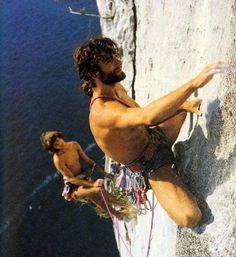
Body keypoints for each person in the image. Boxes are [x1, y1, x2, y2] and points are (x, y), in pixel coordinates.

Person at [73, 37, 226, 228]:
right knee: (191, 218)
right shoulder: (103, 112)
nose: (118, 61)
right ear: (95, 74)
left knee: (186, 105)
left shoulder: (115, 88)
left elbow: (143, 115)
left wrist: (181, 107)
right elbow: (148, 116)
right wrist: (194, 83)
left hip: (155, 136)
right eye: (110, 61)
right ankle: (162, 185)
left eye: (114, 55)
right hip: (149, 165)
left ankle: (181, 114)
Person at [40, 131, 130, 219]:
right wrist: (92, 184)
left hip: (82, 177)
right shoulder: (58, 159)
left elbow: (88, 161)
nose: (59, 143)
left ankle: (121, 211)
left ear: (59, 137)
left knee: (98, 199)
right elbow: (71, 179)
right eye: (55, 144)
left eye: (57, 139)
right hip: (74, 187)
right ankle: (122, 209)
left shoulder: (74, 145)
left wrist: (104, 173)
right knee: (98, 190)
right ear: (53, 148)